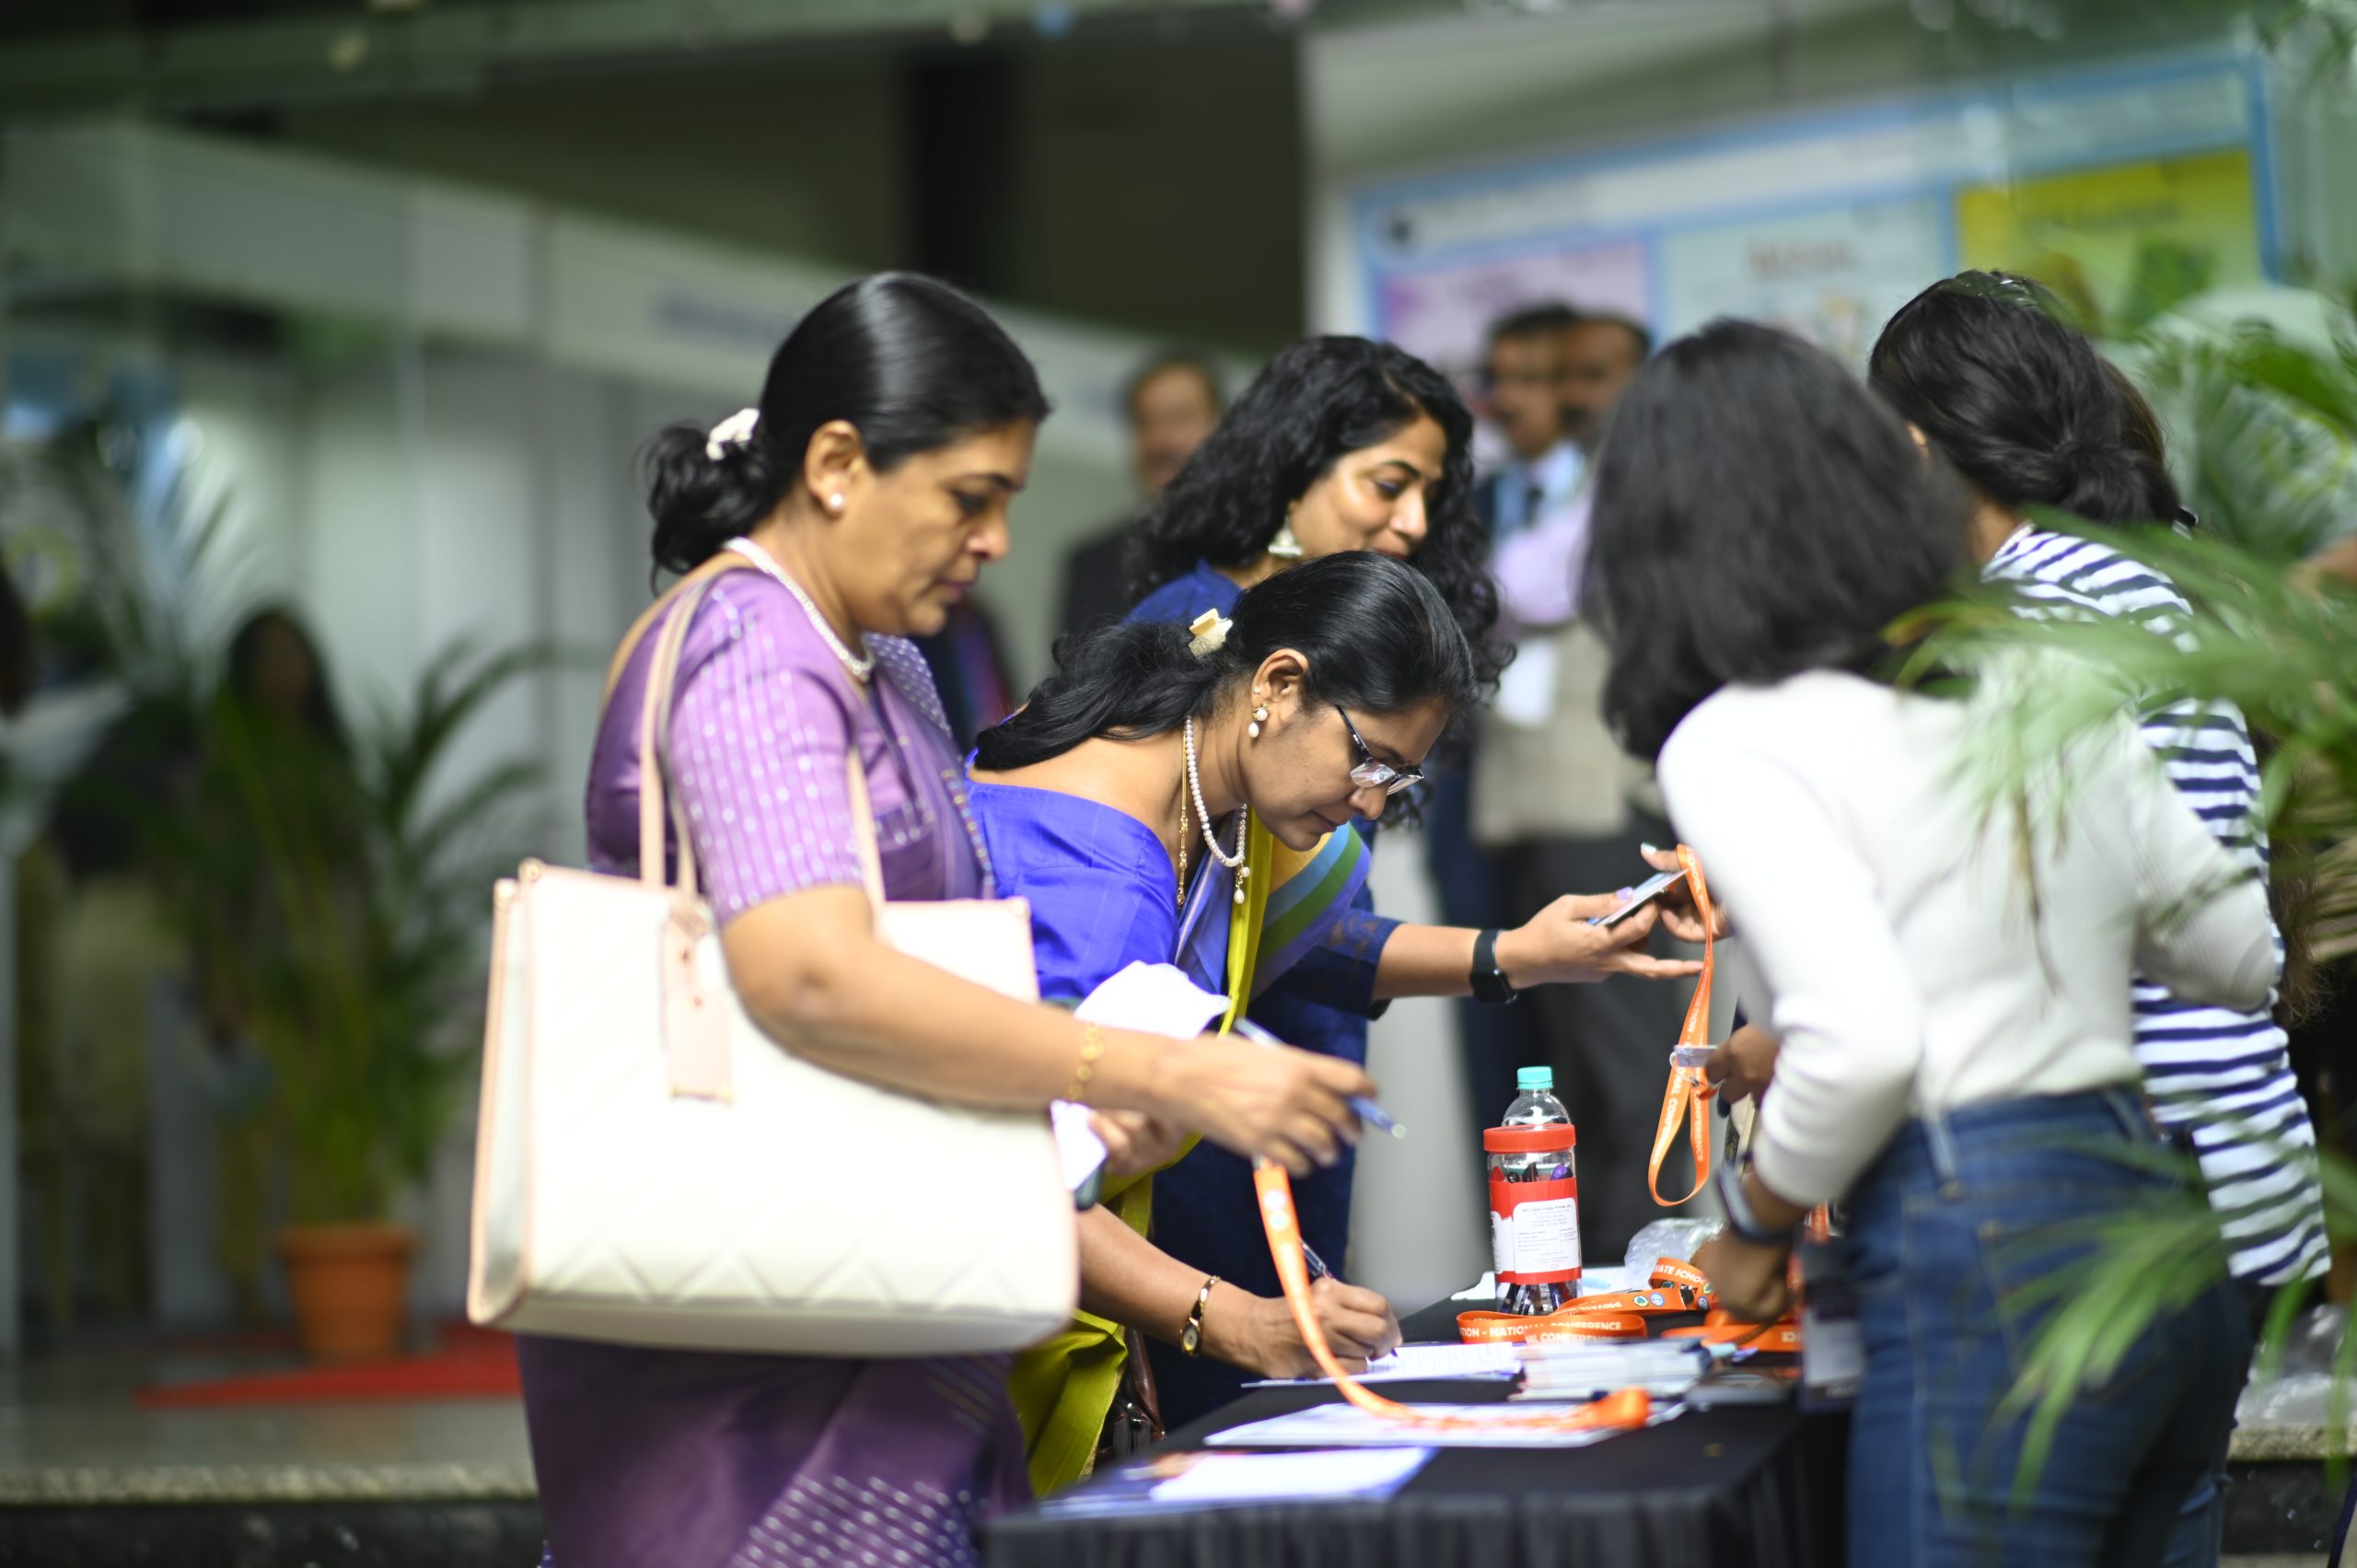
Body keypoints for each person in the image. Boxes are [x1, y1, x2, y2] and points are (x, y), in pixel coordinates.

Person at [516, 273, 1374, 1568]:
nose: (995, 542)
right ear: (836, 465)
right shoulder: (750, 646)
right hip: (760, 1315)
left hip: (885, 1276)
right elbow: (810, 972)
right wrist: (1146, 1066)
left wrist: (1080, 1103)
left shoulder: (881, 660)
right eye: (969, 498)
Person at [1591, 318, 2270, 1564]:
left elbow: (1863, 1043)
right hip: (2165, 1231)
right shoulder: (2036, 674)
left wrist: (1750, 1223)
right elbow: (2239, 951)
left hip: (1990, 1242)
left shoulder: (1735, 736)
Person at [971, 552, 1701, 1487]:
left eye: (1397, 779)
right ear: (1279, 684)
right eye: (1367, 758)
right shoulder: (1102, 876)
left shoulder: (1203, 786)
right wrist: (1237, 1321)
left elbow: (1309, 942)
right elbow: (1020, 1175)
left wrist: (1518, 951)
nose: (1370, 800)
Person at [1121, 335, 1705, 1430]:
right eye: (1386, 484)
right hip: (1187, 1116)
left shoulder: (1331, 658)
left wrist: (1519, 952)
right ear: (1293, 468)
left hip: (1286, 1093)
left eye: (1430, 496)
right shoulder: (1197, 638)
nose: (1411, 522)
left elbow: (1302, 933)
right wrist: (1508, 955)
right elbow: (1204, 936)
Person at [1865, 269, 2329, 1568]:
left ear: (1920, 445)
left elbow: (2006, 917)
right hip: (2235, 1173)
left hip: (2115, 1184)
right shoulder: (2149, 594)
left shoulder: (2018, 627)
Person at [1469, 305, 1680, 1258]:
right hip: (1535, 810)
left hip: (1599, 804)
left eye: (1589, 375)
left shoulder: (1629, 482)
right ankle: (1586, 1271)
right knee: (1571, 1074)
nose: (1571, 396)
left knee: (1631, 1065)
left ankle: (1647, 1271)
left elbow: (1522, 586)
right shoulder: (1534, 485)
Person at [1054, 349, 1225, 644]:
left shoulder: (1261, 551)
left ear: (1223, 428)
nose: (1161, 440)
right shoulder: (1093, 564)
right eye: (1145, 422)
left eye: (1180, 418)